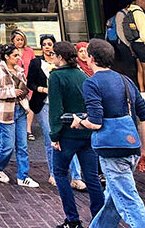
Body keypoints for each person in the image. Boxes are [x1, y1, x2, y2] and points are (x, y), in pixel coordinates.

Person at [72, 38, 145, 228]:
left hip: (111, 149)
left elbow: (95, 121)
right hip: (131, 146)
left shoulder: (91, 83)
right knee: (113, 199)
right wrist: (144, 150)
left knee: (128, 201)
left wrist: (79, 122)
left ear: (91, 58)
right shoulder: (125, 80)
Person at [47, 41, 104, 228]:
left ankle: (72, 220)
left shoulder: (56, 77)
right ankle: (99, 219)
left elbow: (55, 109)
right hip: (87, 133)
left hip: (67, 134)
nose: (51, 57)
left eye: (54, 54)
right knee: (92, 177)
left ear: (60, 57)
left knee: (60, 173)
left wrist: (54, 136)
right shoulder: (82, 75)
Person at [27, 34, 84, 189]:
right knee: (50, 137)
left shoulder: (63, 64)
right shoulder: (36, 63)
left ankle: (76, 176)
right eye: (44, 44)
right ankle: (53, 172)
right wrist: (43, 89)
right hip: (44, 104)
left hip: (64, 105)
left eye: (50, 43)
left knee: (68, 139)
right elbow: (30, 83)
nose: (47, 46)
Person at [0, 43, 39, 188]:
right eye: (15, 55)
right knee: (8, 145)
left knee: (22, 145)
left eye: (18, 55)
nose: (18, 57)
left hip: (20, 111)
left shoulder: (19, 71)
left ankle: (23, 176)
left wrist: (25, 102)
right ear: (6, 57)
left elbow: (23, 91)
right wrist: (10, 92)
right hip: (4, 112)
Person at [11, 29, 37, 140]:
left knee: (29, 106)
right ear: (13, 41)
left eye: (22, 39)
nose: (20, 42)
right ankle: (17, 129)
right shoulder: (11, 52)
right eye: (18, 40)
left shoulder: (29, 51)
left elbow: (35, 64)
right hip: (16, 82)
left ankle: (28, 130)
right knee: (17, 105)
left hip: (29, 81)